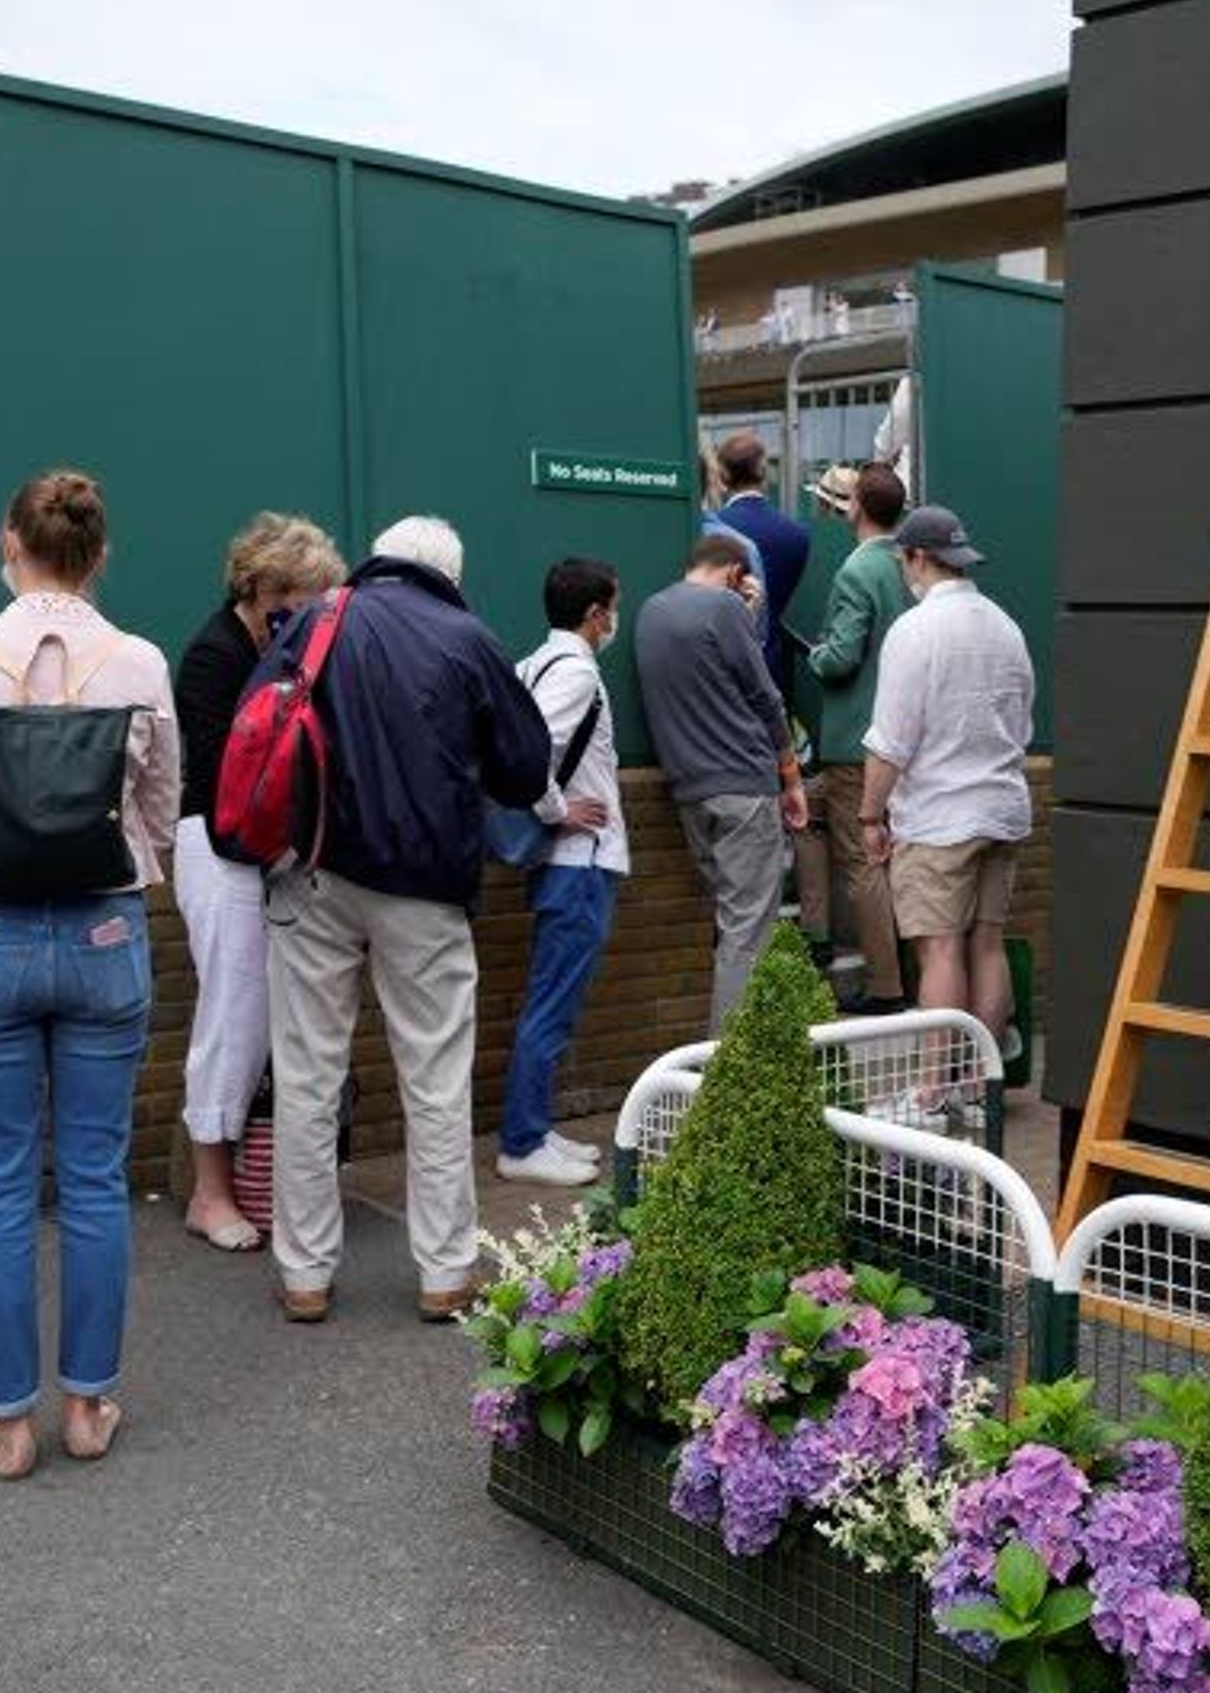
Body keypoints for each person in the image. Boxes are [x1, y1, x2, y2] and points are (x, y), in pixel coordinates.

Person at [0, 470, 180, 1479]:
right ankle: (89, 1404)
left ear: (9, 544)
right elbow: (159, 804)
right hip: (104, 931)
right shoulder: (140, 660)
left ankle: (6, 1422)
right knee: (97, 1177)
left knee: (2, 1186)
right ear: (99, 554)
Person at [266, 516, 557, 1326]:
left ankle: (305, 1273)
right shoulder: (467, 637)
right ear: (449, 575)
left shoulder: (317, 619)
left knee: (306, 1076)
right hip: (425, 887)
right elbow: (526, 767)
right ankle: (443, 1272)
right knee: (433, 1081)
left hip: (312, 873)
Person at [168, 511, 346, 1252]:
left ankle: (258, 1182)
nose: (314, 607)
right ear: (266, 586)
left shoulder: (282, 646)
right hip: (218, 847)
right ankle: (209, 1193)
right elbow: (220, 777)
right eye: (306, 593)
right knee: (231, 1018)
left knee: (266, 1020)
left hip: (265, 853)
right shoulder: (215, 655)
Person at [860, 504, 1036, 1050]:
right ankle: (981, 1086)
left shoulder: (914, 631)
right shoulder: (1006, 627)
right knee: (987, 945)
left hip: (938, 816)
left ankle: (937, 1089)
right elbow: (1023, 722)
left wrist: (870, 815)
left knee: (938, 950)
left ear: (916, 558)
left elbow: (891, 740)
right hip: (1002, 808)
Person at [635, 530, 810, 1032]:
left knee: (733, 920)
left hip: (690, 790)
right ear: (736, 575)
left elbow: (712, 671)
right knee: (748, 931)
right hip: (744, 786)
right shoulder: (724, 608)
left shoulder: (652, 611)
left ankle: (733, 1049)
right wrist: (792, 776)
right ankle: (732, 1064)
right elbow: (763, 695)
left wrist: (746, 621)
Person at [495, 558, 623, 1187]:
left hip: (570, 865)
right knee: (552, 1005)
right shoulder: (573, 673)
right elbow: (530, 752)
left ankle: (534, 1129)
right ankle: (521, 1142)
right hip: (581, 864)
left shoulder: (535, 663)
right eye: (612, 607)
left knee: (552, 1002)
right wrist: (556, 810)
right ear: (596, 613)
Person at [800, 463, 912, 1012]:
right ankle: (817, 933)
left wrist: (816, 653)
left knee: (864, 864)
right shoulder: (909, 566)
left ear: (856, 509)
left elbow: (840, 659)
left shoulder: (855, 572)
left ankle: (887, 986)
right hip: (905, 742)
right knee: (801, 810)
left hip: (855, 747)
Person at [711, 429, 813, 690]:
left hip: (718, 667)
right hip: (769, 665)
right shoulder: (797, 535)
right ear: (764, 473)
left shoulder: (710, 529)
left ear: (722, 476)